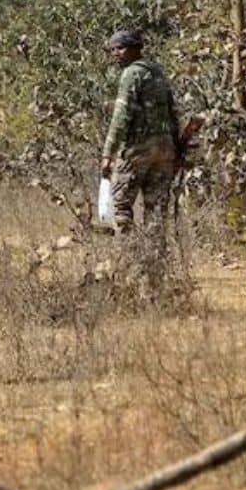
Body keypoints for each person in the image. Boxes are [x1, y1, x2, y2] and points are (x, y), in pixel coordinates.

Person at [99, 29, 181, 298]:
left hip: (138, 150)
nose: (115, 54)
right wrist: (177, 148)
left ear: (135, 48)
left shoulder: (131, 74)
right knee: (156, 214)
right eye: (113, 49)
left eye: (119, 48)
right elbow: (173, 112)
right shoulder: (157, 72)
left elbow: (121, 116)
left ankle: (131, 268)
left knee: (120, 207)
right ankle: (154, 280)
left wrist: (108, 153)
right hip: (164, 151)